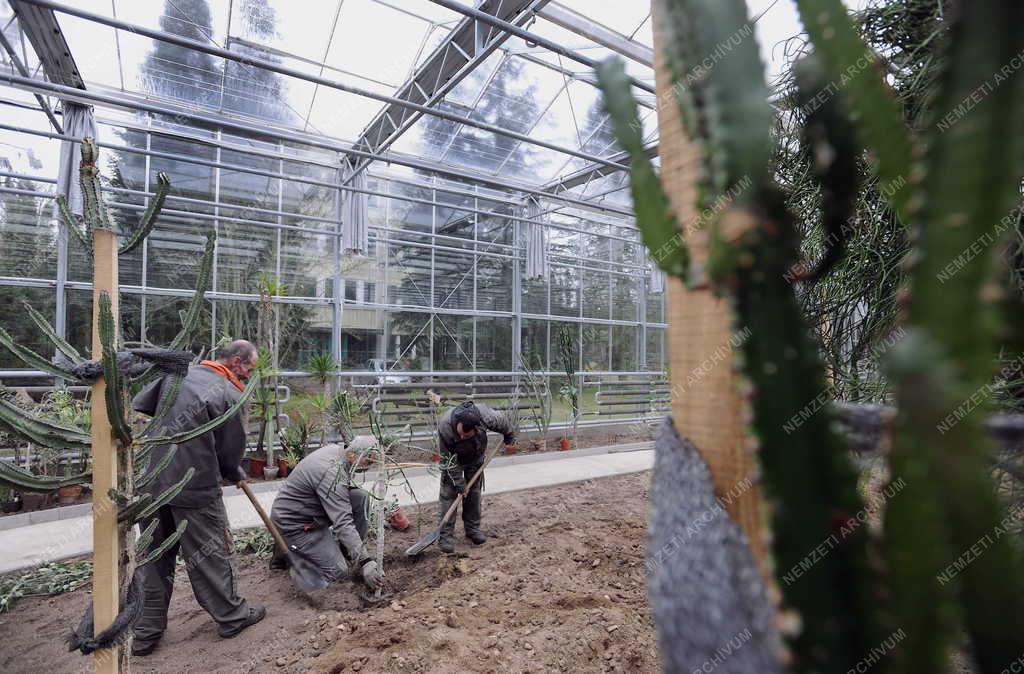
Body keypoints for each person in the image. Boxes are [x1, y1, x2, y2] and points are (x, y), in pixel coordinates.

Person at [130, 340, 265, 656]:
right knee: (211, 552)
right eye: (249, 369)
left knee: (153, 556)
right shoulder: (231, 394)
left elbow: (147, 406)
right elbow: (230, 451)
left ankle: (145, 632)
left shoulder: (177, 374)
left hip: (150, 482)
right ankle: (232, 617)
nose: (248, 376)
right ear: (235, 361)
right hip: (194, 486)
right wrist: (234, 472)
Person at [269, 442, 385, 591]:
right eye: (368, 460)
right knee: (338, 572)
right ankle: (293, 558)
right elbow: (343, 521)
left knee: (359, 498)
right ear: (354, 455)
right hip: (294, 522)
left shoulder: (339, 452)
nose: (368, 465)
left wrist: (359, 555)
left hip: (312, 510)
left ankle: (349, 554)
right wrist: (366, 561)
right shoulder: (331, 472)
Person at [436, 401, 516, 553]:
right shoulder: (446, 426)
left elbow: (504, 422)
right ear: (458, 423)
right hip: (453, 460)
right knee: (449, 494)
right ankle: (445, 536)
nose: (461, 436)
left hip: (475, 456)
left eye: (465, 435)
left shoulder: (486, 416)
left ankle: (472, 529)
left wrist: (509, 436)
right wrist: (459, 484)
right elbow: (447, 461)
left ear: (477, 427)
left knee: (473, 493)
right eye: (459, 433)